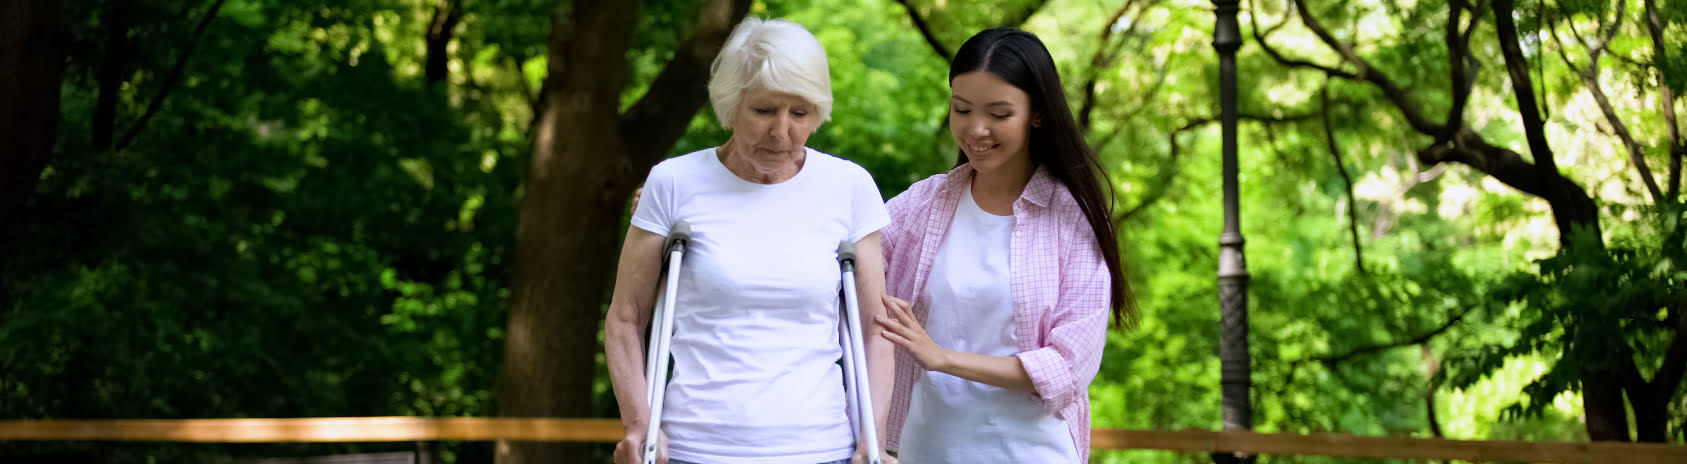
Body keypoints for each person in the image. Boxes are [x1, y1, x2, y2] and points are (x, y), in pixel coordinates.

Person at [603, 17, 897, 464]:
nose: (782, 133)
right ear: (730, 104)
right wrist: (640, 427)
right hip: (694, 451)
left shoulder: (848, 187)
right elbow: (627, 318)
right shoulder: (673, 184)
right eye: (763, 111)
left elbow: (875, 330)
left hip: (821, 449)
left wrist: (870, 443)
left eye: (800, 113)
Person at [873, 27, 1138, 463]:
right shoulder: (923, 204)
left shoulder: (1072, 219)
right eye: (962, 109)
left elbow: (1068, 367)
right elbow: (845, 271)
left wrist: (942, 358)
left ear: (1036, 114)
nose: (976, 129)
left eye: (999, 114)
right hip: (927, 448)